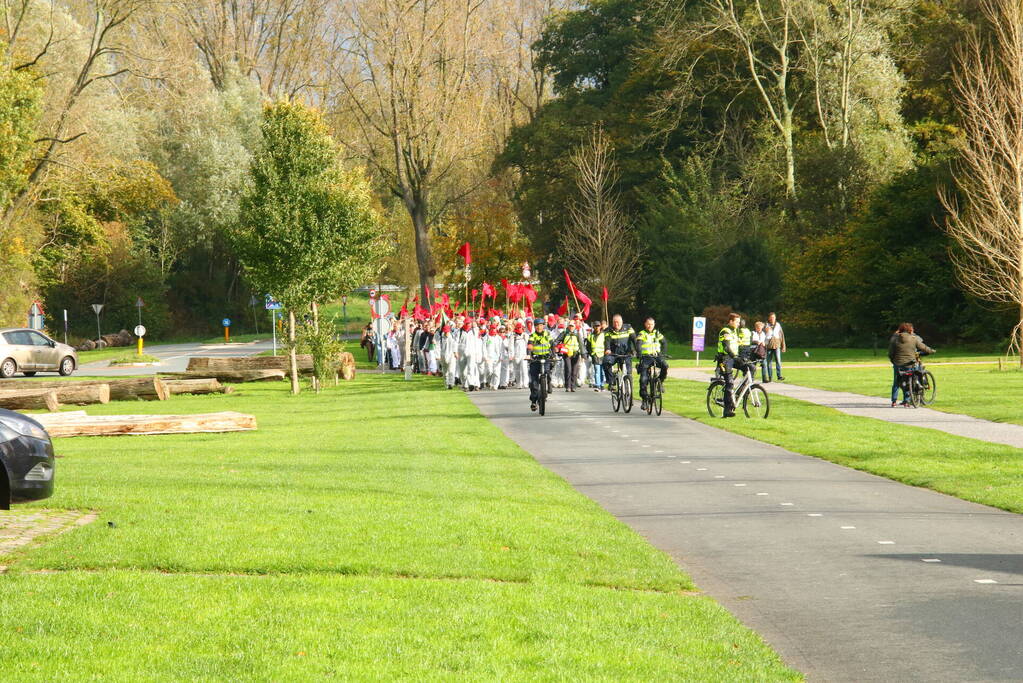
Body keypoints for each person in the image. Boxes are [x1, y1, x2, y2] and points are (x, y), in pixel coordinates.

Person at [888, 322, 935, 407]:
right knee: (910, 379)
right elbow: (923, 347)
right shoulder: (914, 338)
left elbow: (891, 352)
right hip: (910, 363)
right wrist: (931, 351)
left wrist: (893, 360)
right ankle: (907, 401)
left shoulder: (895, 339)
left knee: (896, 382)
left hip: (898, 363)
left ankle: (893, 401)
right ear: (910, 330)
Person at [636, 317, 668, 411]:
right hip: (646, 357)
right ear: (645, 324)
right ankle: (645, 399)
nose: (650, 326)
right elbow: (638, 344)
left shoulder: (657, 333)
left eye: (652, 324)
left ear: (654, 324)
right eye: (648, 324)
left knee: (665, 366)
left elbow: (664, 343)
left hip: (657, 356)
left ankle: (660, 382)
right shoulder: (642, 333)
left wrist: (663, 353)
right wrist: (639, 353)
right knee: (643, 379)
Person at [715, 313, 742, 417]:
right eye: (737, 322)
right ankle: (727, 409)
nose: (738, 324)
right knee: (729, 382)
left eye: (739, 322)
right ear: (730, 321)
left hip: (733, 358)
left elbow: (739, 345)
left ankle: (737, 395)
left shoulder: (734, 332)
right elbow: (726, 347)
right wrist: (734, 356)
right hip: (725, 359)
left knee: (751, 368)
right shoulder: (725, 331)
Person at [601, 314, 636, 389]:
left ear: (622, 322)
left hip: (626, 354)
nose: (616, 324)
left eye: (618, 322)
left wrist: (636, 350)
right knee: (606, 362)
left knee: (628, 373)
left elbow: (634, 339)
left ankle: (628, 391)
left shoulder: (628, 328)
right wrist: (607, 349)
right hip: (613, 354)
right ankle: (611, 381)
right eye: (614, 322)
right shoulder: (609, 330)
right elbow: (607, 341)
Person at [527, 318, 554, 411]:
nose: (539, 327)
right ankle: (534, 401)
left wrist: (553, 354)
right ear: (535, 327)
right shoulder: (532, 335)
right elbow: (530, 346)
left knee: (548, 372)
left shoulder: (547, 334)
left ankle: (546, 388)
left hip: (545, 358)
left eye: (541, 325)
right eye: (537, 325)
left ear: (544, 326)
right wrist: (529, 355)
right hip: (535, 359)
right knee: (533, 383)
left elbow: (552, 344)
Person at [763, 312, 786, 382]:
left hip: (777, 345)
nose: (772, 319)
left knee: (778, 361)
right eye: (771, 317)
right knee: (769, 362)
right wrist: (765, 331)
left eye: (773, 317)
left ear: (775, 318)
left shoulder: (778, 325)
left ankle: (779, 376)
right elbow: (762, 334)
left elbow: (781, 335)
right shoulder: (765, 325)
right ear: (769, 318)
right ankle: (770, 377)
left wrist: (783, 346)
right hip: (768, 346)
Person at [561, 320, 581, 392]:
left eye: (572, 326)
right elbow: (557, 341)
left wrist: (584, 355)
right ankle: (568, 386)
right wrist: (557, 347)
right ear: (568, 326)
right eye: (570, 326)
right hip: (567, 354)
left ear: (574, 326)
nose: (571, 327)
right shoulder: (564, 333)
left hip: (576, 354)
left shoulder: (577, 334)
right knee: (568, 369)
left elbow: (581, 345)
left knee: (574, 371)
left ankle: (573, 386)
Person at [587, 321, 606, 391]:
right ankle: (598, 385)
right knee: (597, 371)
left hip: (603, 355)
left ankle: (602, 385)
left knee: (602, 371)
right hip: (594, 355)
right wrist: (590, 353)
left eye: (598, 326)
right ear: (593, 327)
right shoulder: (590, 336)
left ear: (600, 326)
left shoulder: (604, 335)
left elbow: (606, 344)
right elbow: (588, 346)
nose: (597, 327)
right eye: (595, 326)